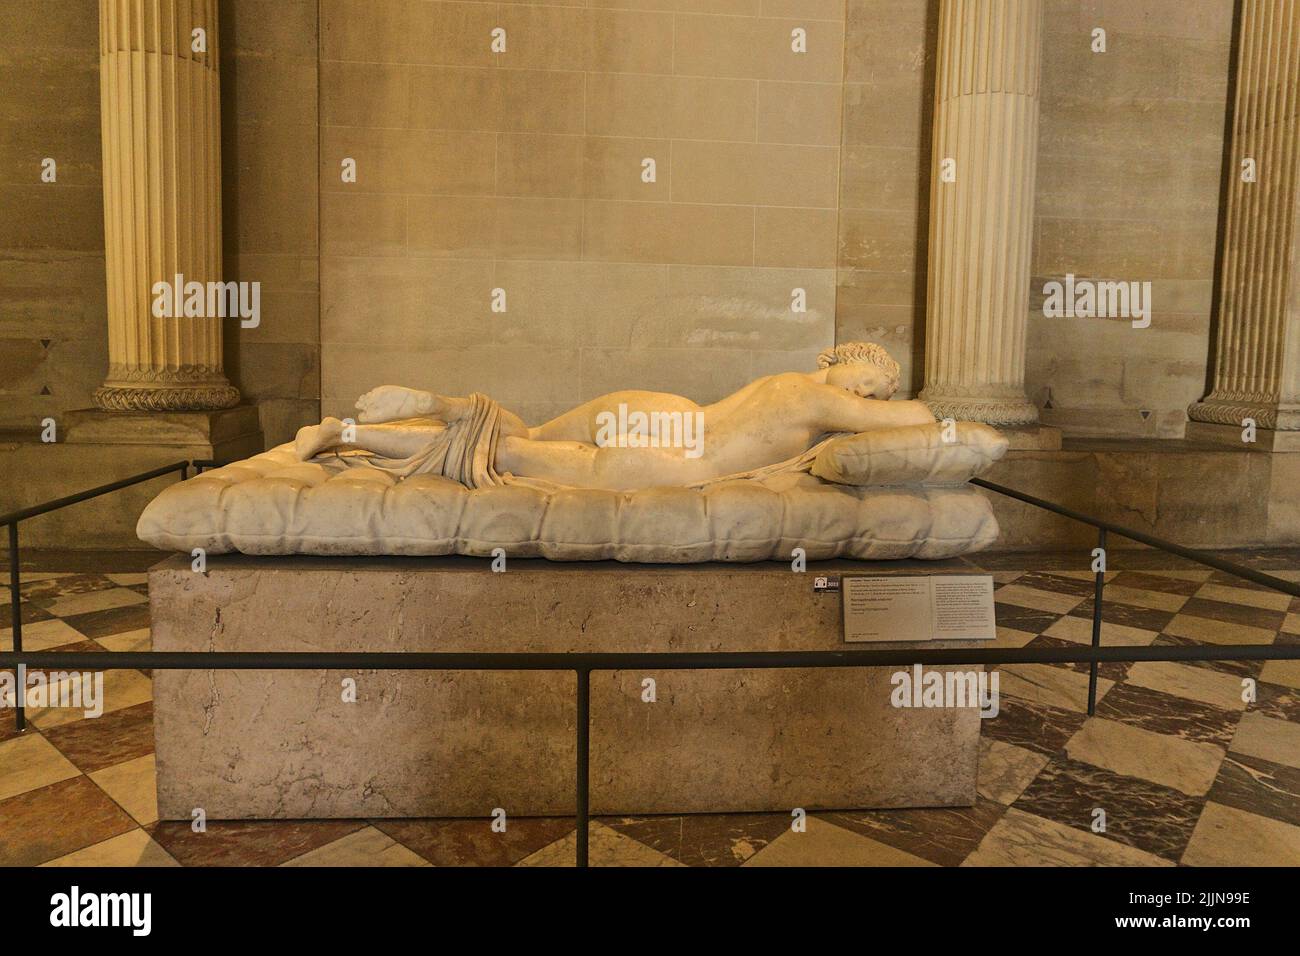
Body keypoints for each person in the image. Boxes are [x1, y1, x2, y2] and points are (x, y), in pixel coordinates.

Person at [294, 342, 934, 491]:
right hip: (673, 456)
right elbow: (913, 419)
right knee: (498, 457)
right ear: (849, 365)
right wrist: (914, 406)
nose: (872, 400)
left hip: (662, 415)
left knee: (522, 436)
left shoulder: (783, 380)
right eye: (873, 384)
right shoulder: (818, 399)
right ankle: (381, 425)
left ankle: (368, 425)